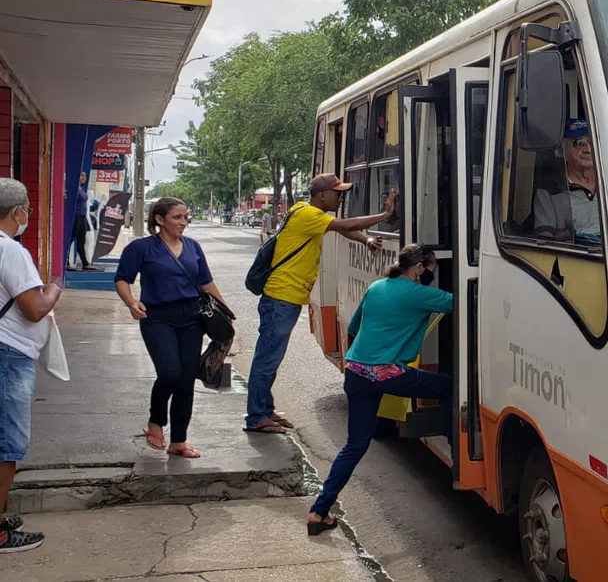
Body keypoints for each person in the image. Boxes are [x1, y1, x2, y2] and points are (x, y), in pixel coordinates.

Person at [306, 244, 453, 536]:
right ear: (420, 268)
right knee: (449, 386)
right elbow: (462, 299)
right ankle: (459, 456)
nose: (434, 273)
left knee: (354, 446)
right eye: (433, 268)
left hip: (356, 372)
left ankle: (318, 512)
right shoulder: (418, 293)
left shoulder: (376, 287)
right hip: (387, 373)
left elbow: (354, 327)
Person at [244, 174, 397, 434]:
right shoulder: (307, 215)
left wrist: (366, 240)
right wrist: (384, 215)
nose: (341, 198)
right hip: (282, 298)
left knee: (270, 357)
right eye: (337, 193)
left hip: (285, 298)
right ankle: (257, 416)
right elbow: (343, 224)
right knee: (267, 359)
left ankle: (265, 409)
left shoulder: (306, 211)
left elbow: (341, 229)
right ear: (321, 195)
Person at [115, 197, 231, 459]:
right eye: (177, 217)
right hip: (157, 318)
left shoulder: (193, 247)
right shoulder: (141, 248)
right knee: (169, 373)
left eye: (186, 217)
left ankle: (179, 441)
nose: (183, 223)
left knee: (186, 380)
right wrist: (132, 303)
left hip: (192, 319)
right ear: (159, 219)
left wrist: (226, 313)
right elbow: (122, 279)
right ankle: (156, 420)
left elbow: (206, 283)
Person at [0, 178, 62, 553]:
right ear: (17, 212)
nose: (28, 215)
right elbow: (35, 308)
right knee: (8, 443)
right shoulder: (10, 251)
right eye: (27, 208)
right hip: (9, 353)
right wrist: (54, 288)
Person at [533, 118, 601, 243]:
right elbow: (544, 240)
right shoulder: (549, 191)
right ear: (564, 149)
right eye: (580, 143)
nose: (588, 149)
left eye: (592, 141)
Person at [68, 172, 100, 272]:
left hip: (82, 216)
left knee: (82, 240)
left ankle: (85, 263)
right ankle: (66, 263)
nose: (83, 178)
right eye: (81, 175)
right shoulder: (73, 188)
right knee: (70, 239)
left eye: (85, 176)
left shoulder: (81, 189)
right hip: (76, 216)